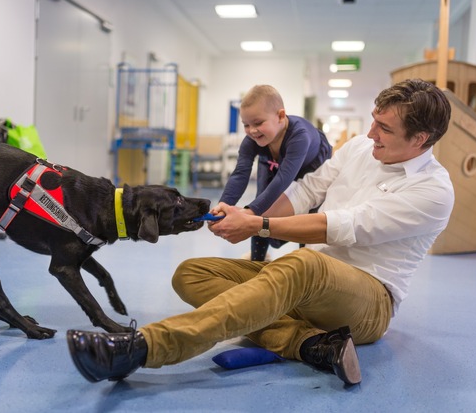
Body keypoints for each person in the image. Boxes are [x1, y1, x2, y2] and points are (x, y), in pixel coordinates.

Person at [67, 79, 454, 386]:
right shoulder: (358, 149)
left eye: (384, 128)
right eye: (373, 120)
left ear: (419, 140)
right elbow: (306, 191)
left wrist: (259, 224)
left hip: (370, 299)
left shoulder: (433, 191)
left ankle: (143, 348)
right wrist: (245, 213)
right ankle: (309, 344)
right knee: (192, 273)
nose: (371, 133)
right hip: (312, 280)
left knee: (303, 262)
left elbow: (341, 227)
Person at [218, 85, 332, 261]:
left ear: (280, 116)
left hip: (310, 166)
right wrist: (224, 205)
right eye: (246, 125)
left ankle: (306, 261)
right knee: (261, 206)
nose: (252, 130)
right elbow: (241, 172)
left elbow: (284, 178)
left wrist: (249, 213)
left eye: (258, 123)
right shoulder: (253, 139)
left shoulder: (299, 136)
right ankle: (257, 261)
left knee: (307, 214)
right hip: (274, 163)